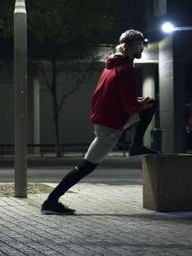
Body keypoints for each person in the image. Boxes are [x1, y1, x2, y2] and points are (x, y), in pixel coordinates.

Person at [41, 29, 159, 215]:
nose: (141, 47)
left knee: (149, 104)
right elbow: (129, 106)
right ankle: (51, 201)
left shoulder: (111, 66)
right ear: (127, 47)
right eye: (138, 44)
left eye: (142, 43)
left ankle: (136, 145)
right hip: (111, 125)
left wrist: (139, 102)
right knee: (86, 166)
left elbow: (116, 98)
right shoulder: (127, 69)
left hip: (106, 119)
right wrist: (139, 104)